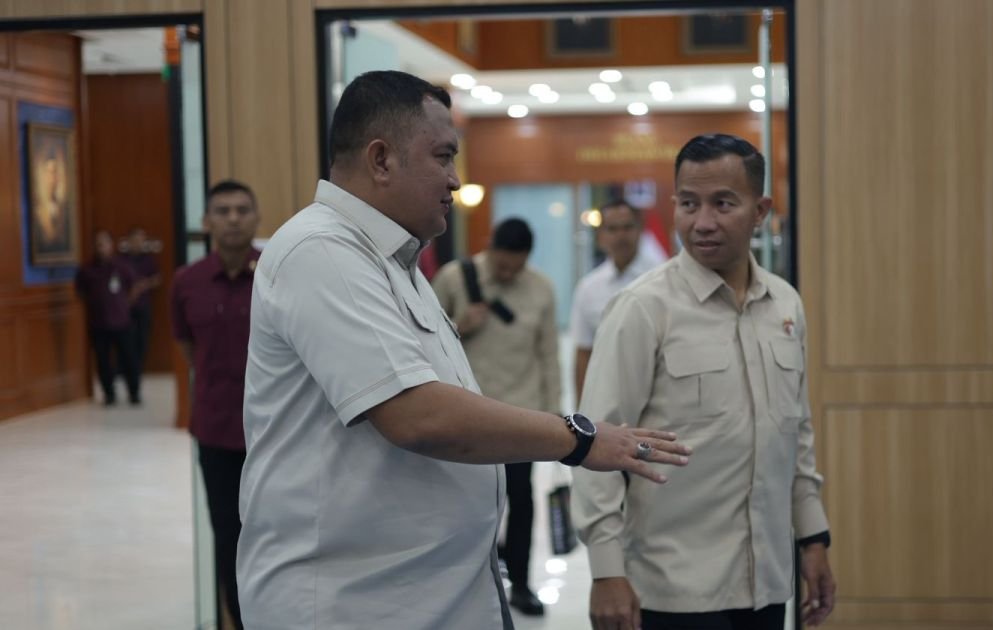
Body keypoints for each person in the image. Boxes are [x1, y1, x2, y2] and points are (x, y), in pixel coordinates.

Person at [235, 70, 689, 630]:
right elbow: (417, 415)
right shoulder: (322, 252)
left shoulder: (394, 260)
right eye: (444, 157)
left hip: (429, 590)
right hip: (352, 602)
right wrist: (577, 439)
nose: (455, 180)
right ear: (381, 160)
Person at [572, 133, 837, 630]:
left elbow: (795, 435)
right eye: (688, 204)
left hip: (767, 582)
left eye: (723, 204)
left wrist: (813, 538)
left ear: (760, 210)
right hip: (671, 589)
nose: (703, 223)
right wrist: (606, 571)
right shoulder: (643, 308)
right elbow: (595, 445)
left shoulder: (784, 305)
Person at [432, 217, 561, 617]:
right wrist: (460, 326)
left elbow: (548, 355)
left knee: (521, 501)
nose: (507, 273)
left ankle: (520, 584)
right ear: (490, 249)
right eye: (501, 265)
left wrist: (556, 418)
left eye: (515, 267)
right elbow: (424, 344)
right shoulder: (455, 278)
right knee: (467, 505)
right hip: (467, 416)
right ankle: (463, 587)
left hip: (521, 416)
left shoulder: (541, 289)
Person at [171, 179, 261, 630]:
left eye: (242, 210)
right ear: (207, 222)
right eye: (222, 211)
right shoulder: (186, 283)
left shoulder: (275, 274)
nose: (232, 219)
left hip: (273, 435)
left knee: (276, 536)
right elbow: (188, 350)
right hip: (216, 432)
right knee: (228, 538)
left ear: (256, 218)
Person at [568, 199, 659, 403]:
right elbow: (583, 353)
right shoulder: (588, 288)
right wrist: (582, 411)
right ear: (600, 237)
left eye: (627, 227)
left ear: (640, 231)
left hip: (657, 395)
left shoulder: (663, 279)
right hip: (606, 397)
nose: (621, 236)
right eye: (612, 229)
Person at [75, 230, 139, 406]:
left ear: (111, 245)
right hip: (98, 323)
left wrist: (124, 305)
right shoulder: (87, 269)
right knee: (103, 362)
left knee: (128, 359)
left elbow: (134, 287)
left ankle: (134, 393)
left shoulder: (122, 266)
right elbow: (81, 292)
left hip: (122, 321)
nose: (101, 248)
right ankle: (109, 394)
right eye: (97, 244)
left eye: (104, 244)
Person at [122, 227, 161, 374]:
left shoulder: (148, 259)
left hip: (143, 305)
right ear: (129, 241)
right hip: (125, 306)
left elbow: (157, 278)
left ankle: (138, 369)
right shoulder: (121, 259)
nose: (138, 243)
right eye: (136, 240)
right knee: (126, 339)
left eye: (141, 240)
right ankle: (125, 368)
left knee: (142, 339)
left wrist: (144, 285)